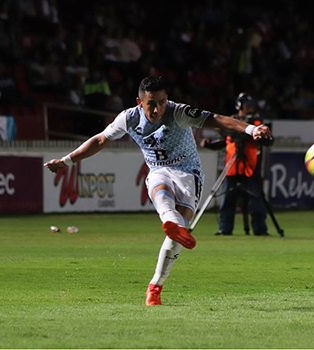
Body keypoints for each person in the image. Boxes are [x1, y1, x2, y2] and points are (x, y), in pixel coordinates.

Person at [44, 77, 272, 306]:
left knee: (175, 237)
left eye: (162, 101)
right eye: (152, 103)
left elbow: (216, 119)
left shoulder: (178, 112)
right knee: (160, 189)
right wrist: (67, 161)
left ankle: (156, 284)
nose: (158, 108)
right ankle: (172, 226)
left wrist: (251, 129)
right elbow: (100, 139)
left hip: (188, 174)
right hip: (158, 170)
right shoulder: (129, 118)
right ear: (139, 102)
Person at [201, 92, 273, 236]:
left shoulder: (257, 122)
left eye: (252, 106)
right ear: (240, 105)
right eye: (247, 106)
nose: (250, 109)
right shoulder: (231, 121)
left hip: (251, 167)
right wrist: (210, 145)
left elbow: (268, 141)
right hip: (232, 167)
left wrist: (257, 134)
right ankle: (225, 229)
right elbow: (225, 141)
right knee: (228, 199)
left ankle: (260, 230)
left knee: (256, 199)